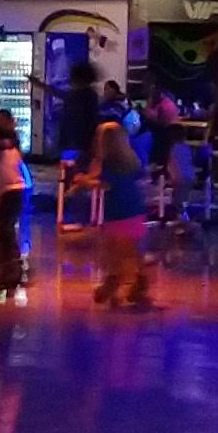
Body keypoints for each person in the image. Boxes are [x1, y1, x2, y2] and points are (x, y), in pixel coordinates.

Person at [88, 109, 152, 309]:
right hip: (134, 209)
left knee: (115, 251)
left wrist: (83, 181)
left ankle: (114, 283)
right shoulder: (128, 160)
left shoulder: (109, 164)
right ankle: (137, 284)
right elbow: (140, 175)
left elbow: (105, 183)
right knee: (131, 251)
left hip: (118, 212)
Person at [0, 112, 30, 298]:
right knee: (8, 232)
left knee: (3, 233)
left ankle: (9, 271)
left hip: (2, 192)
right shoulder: (13, 144)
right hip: (17, 189)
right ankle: (13, 270)